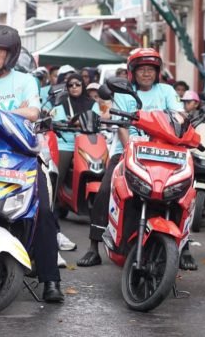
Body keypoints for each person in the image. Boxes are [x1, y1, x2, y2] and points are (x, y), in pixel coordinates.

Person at [0, 24, 64, 303]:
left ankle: (50, 279)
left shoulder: (25, 81)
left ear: (11, 54)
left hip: (22, 157)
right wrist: (5, 123)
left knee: (42, 210)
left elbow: (32, 111)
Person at [77, 48, 190, 268]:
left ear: (157, 72)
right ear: (132, 72)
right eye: (142, 70)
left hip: (165, 153)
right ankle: (93, 247)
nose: (146, 73)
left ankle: (183, 248)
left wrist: (179, 118)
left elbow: (180, 115)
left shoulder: (166, 91)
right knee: (105, 188)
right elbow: (121, 127)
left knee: (184, 191)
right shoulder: (124, 93)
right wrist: (129, 147)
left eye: (151, 69)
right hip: (128, 151)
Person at [51, 73, 100, 255]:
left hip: (87, 141)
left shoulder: (92, 103)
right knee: (56, 176)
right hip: (66, 142)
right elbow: (57, 121)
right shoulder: (62, 103)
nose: (74, 88)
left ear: (83, 85)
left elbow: (97, 120)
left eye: (77, 84)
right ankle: (53, 201)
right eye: (70, 85)